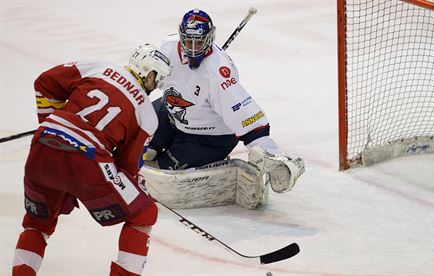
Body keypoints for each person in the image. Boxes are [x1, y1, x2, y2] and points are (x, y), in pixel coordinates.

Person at [12, 43, 171, 276]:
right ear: (149, 73)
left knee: (37, 224)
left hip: (43, 144)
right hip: (88, 159)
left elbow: (45, 83)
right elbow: (126, 167)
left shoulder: (98, 67)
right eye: (156, 80)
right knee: (145, 214)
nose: (155, 87)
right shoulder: (147, 114)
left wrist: (52, 123)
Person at [143, 9, 304, 208]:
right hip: (173, 111)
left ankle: (214, 163)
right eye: (188, 42)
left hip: (207, 138)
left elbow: (248, 117)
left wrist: (268, 153)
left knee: (165, 167)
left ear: (210, 39)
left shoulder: (218, 74)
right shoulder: (168, 46)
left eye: (199, 43)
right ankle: (156, 143)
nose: (193, 49)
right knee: (141, 130)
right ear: (181, 36)